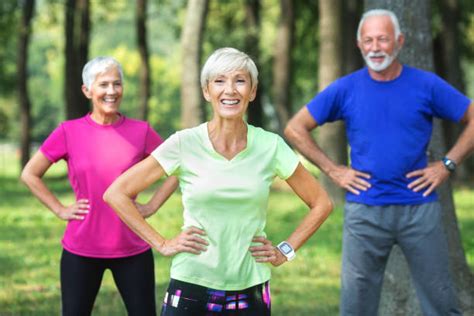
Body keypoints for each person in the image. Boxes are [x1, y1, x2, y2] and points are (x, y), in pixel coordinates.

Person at [103, 47, 333, 316]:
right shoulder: (184, 143)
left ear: (253, 91)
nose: (230, 90)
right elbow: (116, 193)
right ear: (206, 91)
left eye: (240, 80)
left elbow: (322, 203)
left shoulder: (271, 146)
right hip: (191, 284)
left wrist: (285, 250)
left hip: (251, 289)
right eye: (220, 81)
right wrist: (162, 243)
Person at [285, 8, 474, 316]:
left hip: (420, 209)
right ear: (359, 44)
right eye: (368, 40)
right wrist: (333, 170)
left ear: (399, 41)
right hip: (365, 213)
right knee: (355, 308)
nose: (375, 47)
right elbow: (295, 128)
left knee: (441, 307)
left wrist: (447, 165)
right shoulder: (347, 88)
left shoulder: (426, 85)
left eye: (383, 39)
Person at [20, 56, 178, 316]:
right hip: (81, 248)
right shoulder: (68, 131)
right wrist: (60, 209)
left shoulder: (141, 131)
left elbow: (175, 170)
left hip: (132, 247)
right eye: (103, 84)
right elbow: (30, 174)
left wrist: (151, 206)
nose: (111, 91)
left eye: (117, 84)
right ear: (87, 90)